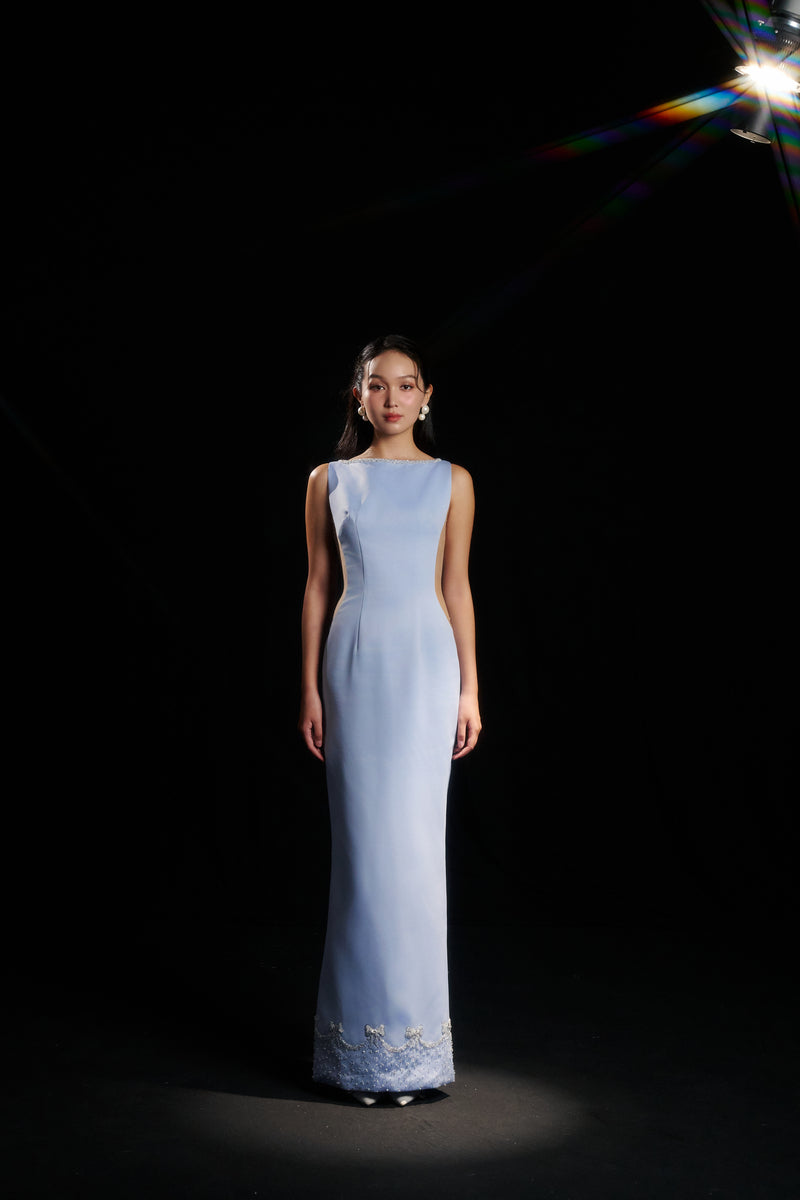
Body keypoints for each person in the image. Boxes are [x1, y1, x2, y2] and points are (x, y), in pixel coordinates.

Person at [298, 334, 481, 1106]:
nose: (393, 398)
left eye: (407, 385)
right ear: (359, 397)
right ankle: (356, 1054)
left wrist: (470, 691)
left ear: (427, 396)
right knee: (364, 858)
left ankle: (413, 1054)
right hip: (355, 664)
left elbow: (456, 586)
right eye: (378, 385)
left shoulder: (452, 481)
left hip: (427, 669)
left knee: (416, 856)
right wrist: (309, 690)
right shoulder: (329, 479)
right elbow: (317, 586)